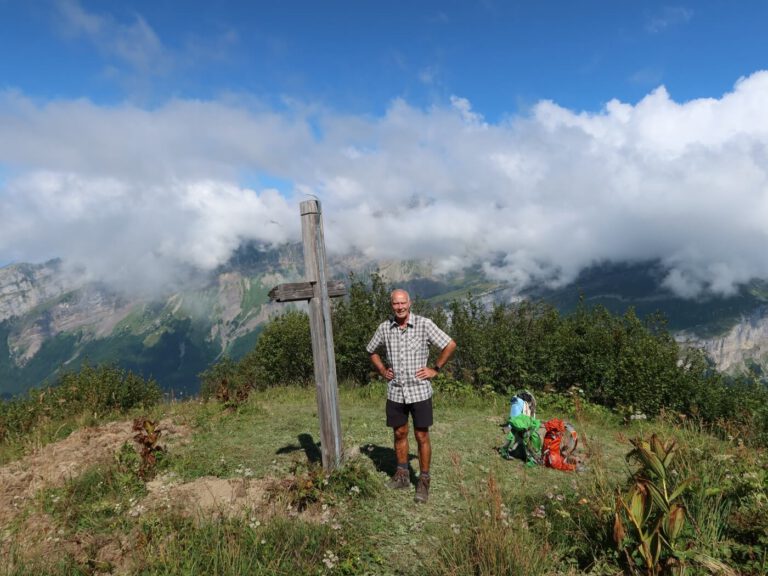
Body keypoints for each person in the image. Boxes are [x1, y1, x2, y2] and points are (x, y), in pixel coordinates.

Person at [366, 288, 456, 503]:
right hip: (396, 391)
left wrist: (436, 368)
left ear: (410, 303)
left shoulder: (424, 324)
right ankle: (402, 475)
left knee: (421, 435)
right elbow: (371, 350)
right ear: (391, 305)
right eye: (395, 304)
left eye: (402, 303)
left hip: (419, 391)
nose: (399, 307)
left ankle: (423, 481)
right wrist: (382, 370)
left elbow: (450, 344)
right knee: (399, 433)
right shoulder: (385, 328)